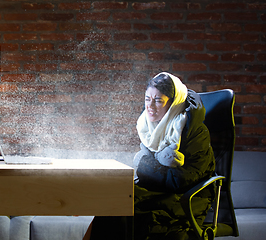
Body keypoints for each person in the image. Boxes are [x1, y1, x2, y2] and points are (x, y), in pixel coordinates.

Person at [84, 72, 215, 240]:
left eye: (159, 100)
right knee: (113, 203)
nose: (150, 106)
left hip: (186, 199)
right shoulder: (149, 127)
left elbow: (179, 181)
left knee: (127, 214)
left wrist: (147, 164)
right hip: (158, 192)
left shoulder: (195, 132)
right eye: (147, 99)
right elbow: (144, 172)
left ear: (174, 103)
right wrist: (152, 164)